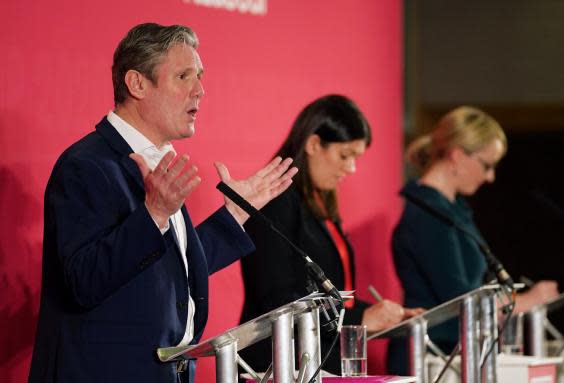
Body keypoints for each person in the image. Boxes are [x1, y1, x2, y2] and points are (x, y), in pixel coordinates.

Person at [28, 23, 298, 383]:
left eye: (200, 77)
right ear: (137, 84)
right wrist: (153, 214)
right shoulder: (86, 165)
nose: (200, 90)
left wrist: (233, 215)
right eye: (184, 76)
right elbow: (84, 282)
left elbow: (164, 269)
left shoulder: (158, 163)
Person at [238, 94, 421, 376]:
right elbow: (278, 298)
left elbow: (333, 296)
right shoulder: (274, 201)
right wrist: (361, 317)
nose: (351, 168)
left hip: (321, 363)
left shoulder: (319, 204)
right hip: (278, 367)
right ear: (313, 144)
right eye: (345, 156)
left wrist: (382, 316)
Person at [387, 106, 559, 375]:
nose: (490, 177)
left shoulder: (451, 210)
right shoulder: (427, 215)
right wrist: (527, 301)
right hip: (432, 359)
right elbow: (460, 299)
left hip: (452, 356)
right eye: (487, 165)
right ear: (457, 155)